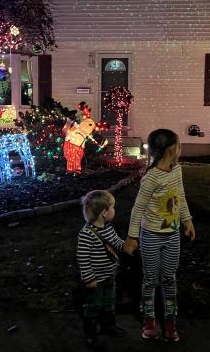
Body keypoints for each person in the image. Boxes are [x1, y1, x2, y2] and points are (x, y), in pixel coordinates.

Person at [124, 129, 195, 342]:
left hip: (172, 236)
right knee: (150, 280)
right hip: (151, 237)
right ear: (172, 149)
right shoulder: (151, 178)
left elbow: (180, 196)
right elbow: (137, 209)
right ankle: (149, 320)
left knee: (169, 279)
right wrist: (132, 237)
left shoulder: (177, 170)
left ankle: (170, 321)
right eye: (179, 145)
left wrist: (187, 220)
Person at [77, 190, 127, 348]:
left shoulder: (108, 227)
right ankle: (90, 334)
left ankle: (108, 326)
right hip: (96, 280)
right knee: (94, 306)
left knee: (109, 302)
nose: (114, 210)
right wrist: (89, 279)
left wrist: (125, 246)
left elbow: (115, 241)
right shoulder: (86, 234)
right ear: (104, 213)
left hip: (109, 275)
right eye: (113, 207)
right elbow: (83, 259)